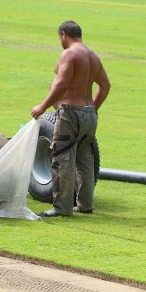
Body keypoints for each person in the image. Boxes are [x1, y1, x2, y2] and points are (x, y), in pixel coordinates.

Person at [31, 20, 111, 218]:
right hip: (89, 114)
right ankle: (85, 204)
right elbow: (105, 86)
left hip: (70, 113)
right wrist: (93, 108)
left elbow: (62, 84)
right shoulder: (93, 56)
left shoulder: (69, 54)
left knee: (62, 159)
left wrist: (42, 106)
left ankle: (62, 208)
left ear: (64, 34)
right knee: (85, 160)